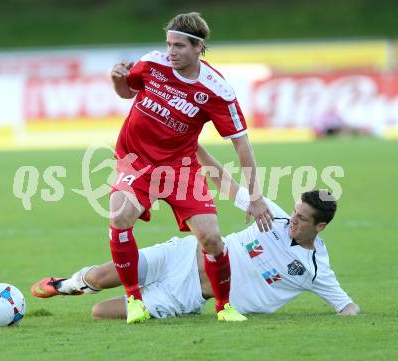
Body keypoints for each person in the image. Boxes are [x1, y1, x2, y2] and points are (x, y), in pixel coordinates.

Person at [31, 145, 359, 319]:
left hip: (186, 295)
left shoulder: (315, 269)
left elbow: (347, 306)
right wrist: (195, 146)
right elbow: (224, 182)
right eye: (295, 212)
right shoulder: (271, 215)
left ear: (321, 226)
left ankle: (107, 295)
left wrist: (346, 321)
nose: (292, 220)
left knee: (101, 312)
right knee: (102, 277)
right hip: (183, 255)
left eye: (302, 219)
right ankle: (66, 285)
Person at [104, 12, 272, 323]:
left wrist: (256, 197)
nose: (171, 52)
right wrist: (117, 81)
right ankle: (134, 299)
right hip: (136, 161)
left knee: (211, 238)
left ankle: (224, 306)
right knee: (119, 214)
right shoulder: (153, 63)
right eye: (168, 44)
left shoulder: (217, 89)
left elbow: (242, 144)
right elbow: (129, 92)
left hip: (181, 170)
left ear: (198, 48)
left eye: (179, 46)